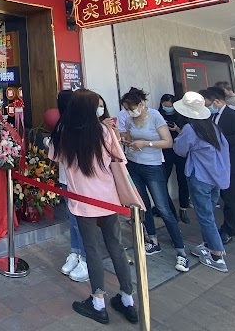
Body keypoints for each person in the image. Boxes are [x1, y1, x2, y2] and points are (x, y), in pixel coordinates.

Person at [54, 89, 138, 325]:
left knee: (91, 249)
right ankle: (127, 299)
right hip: (108, 199)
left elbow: (55, 156)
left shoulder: (64, 133)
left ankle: (98, 303)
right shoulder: (104, 130)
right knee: (116, 246)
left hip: (83, 202)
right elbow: (120, 160)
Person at [121, 88, 189, 272]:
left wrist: (146, 143)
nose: (130, 112)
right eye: (127, 109)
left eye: (131, 108)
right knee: (143, 206)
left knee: (163, 207)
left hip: (153, 166)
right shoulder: (128, 120)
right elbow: (130, 139)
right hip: (134, 165)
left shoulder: (155, 117)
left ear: (141, 104)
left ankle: (180, 251)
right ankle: (153, 240)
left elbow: (168, 142)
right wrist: (126, 141)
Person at [172, 92, 230, 273]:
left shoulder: (190, 129)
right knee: (209, 213)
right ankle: (208, 245)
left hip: (200, 177)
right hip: (216, 177)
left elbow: (180, 149)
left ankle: (217, 255)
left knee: (205, 216)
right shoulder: (213, 127)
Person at [47, 90, 89, 283]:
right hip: (67, 179)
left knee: (81, 221)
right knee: (72, 218)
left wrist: (49, 142)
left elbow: (57, 152)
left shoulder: (81, 125)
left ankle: (86, 260)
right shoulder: (63, 125)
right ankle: (75, 251)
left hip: (82, 182)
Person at [201, 86, 235, 245]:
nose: (206, 107)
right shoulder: (212, 116)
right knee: (229, 195)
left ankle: (228, 230)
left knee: (230, 196)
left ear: (216, 101)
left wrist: (218, 141)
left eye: (207, 104)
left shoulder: (234, 114)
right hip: (221, 161)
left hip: (234, 161)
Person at [159, 93, 190, 223]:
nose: (167, 108)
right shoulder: (158, 115)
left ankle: (183, 208)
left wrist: (176, 128)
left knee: (182, 180)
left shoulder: (182, 116)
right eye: (164, 105)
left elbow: (187, 135)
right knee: (162, 180)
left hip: (180, 151)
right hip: (165, 151)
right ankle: (165, 208)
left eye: (169, 106)